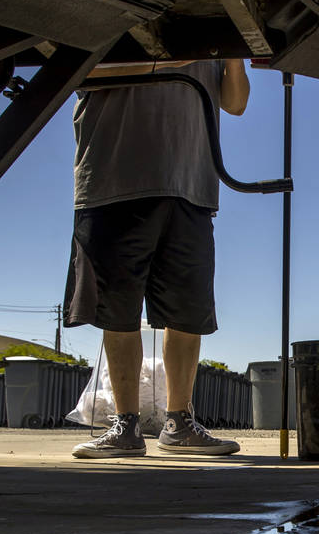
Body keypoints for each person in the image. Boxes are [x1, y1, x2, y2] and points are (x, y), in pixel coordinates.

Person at [64, 58, 250, 459]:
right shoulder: (116, 18)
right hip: (115, 179)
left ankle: (179, 423)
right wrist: (167, 61)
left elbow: (236, 103)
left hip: (191, 185)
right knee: (117, 310)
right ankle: (125, 425)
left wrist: (233, 56)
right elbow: (78, 72)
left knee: (188, 312)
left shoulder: (212, 36)